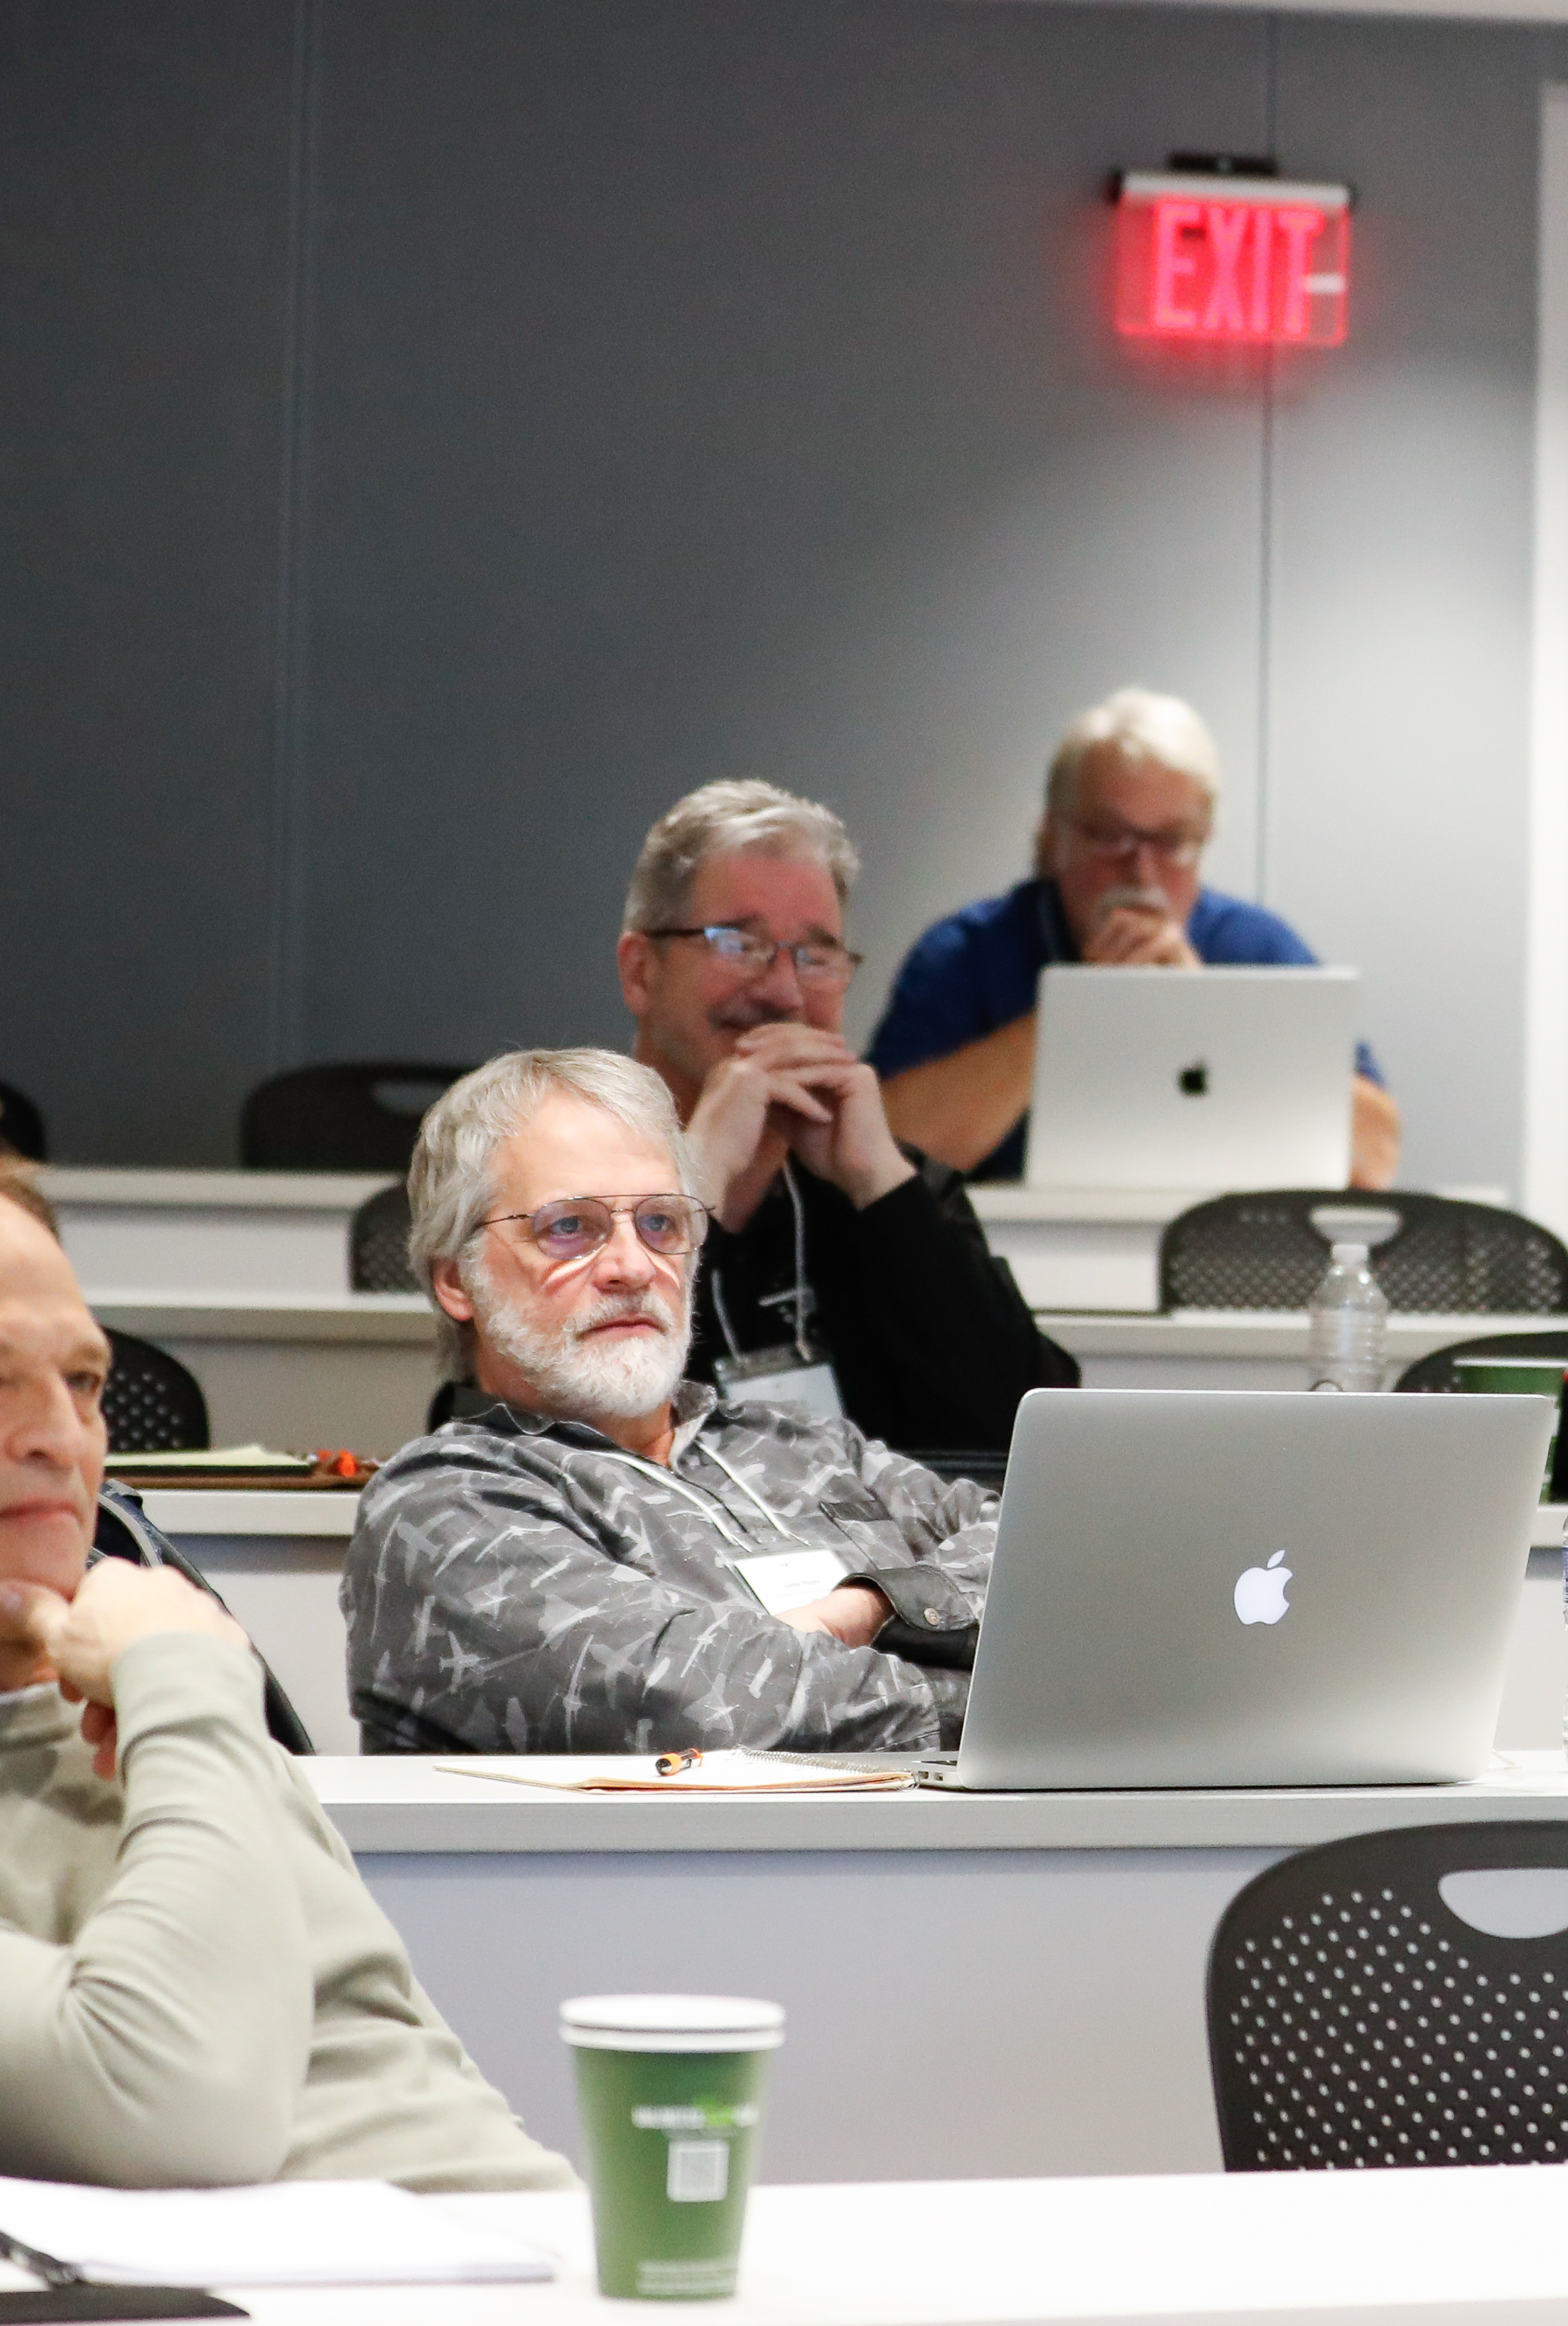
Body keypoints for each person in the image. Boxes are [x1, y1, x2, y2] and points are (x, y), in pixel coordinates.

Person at [0, 1143, 568, 2203]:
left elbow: (433, 2109)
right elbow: (184, 2115)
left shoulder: (173, 1722)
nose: (62, 1438)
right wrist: (188, 1689)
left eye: (81, 1382)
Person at [347, 1048, 996, 1757]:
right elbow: (712, 1711)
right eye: (569, 1227)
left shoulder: (802, 1447)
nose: (633, 1266)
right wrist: (1017, 1692)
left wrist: (865, 1607)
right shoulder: (444, 1507)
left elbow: (1047, 1553)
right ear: (456, 1281)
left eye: (660, 1223)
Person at [618, 777, 1075, 1453]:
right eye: (738, 944)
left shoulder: (885, 1188)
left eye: (815, 956)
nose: (783, 992)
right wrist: (695, 1178)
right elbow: (558, 1429)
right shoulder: (562, 1178)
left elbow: (1036, 1436)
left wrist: (882, 1186)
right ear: (641, 972)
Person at [870, 687, 1399, 1187]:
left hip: (1213, 1243)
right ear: (1053, 836)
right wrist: (1078, 1011)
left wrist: (1209, 1012)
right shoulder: (970, 952)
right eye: (1109, 836)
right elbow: (886, 1158)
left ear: (1204, 842)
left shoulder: (1255, 949)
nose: (1142, 873)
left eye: (1171, 841)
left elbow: (1376, 1155)